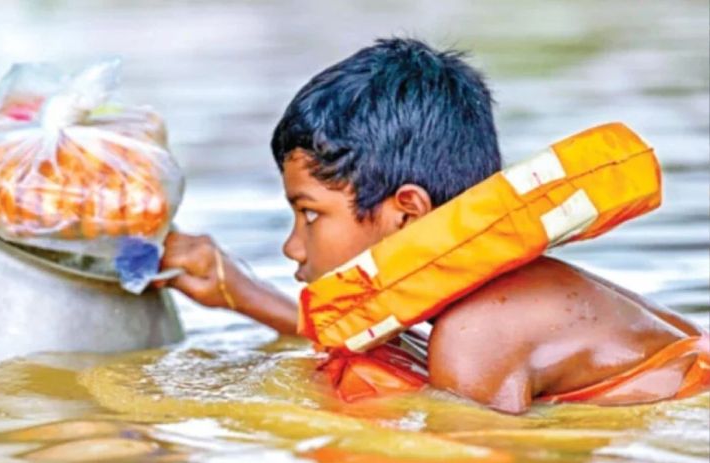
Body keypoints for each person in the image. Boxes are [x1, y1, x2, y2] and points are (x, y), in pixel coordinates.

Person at [155, 38, 708, 414]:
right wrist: (240, 294)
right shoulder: (495, 302)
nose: (292, 245)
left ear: (408, 212)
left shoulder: (477, 334)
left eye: (309, 214)